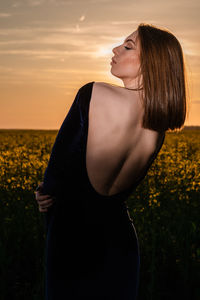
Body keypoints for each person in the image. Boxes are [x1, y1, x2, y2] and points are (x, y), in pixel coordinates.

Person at [35, 23, 187, 300]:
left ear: (152, 62)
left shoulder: (94, 93)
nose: (116, 49)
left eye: (128, 46)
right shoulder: (157, 129)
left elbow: (55, 177)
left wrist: (44, 194)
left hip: (72, 239)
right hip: (121, 243)